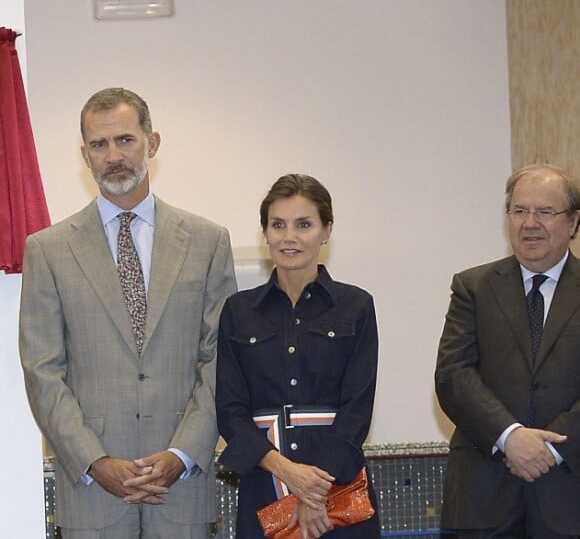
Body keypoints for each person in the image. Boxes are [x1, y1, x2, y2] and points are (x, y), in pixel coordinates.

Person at [19, 87, 237, 539]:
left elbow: (220, 360)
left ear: (152, 143)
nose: (113, 155)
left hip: (183, 488)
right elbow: (43, 371)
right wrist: (95, 462)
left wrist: (182, 453)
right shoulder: (48, 250)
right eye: (99, 145)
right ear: (85, 155)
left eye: (125, 140)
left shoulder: (207, 241)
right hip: (91, 494)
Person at [216, 174, 381, 538]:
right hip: (265, 489)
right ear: (265, 234)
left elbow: (357, 409)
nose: (289, 237)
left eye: (303, 224)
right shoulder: (237, 311)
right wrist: (290, 474)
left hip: (339, 494)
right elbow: (229, 412)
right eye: (278, 225)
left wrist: (314, 491)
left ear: (327, 230)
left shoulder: (357, 306)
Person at [435, 163, 580, 538]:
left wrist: (554, 447)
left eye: (545, 211)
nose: (529, 222)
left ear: (574, 222)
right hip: (482, 497)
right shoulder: (473, 287)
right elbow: (454, 376)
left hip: (569, 493)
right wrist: (510, 435)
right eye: (519, 211)